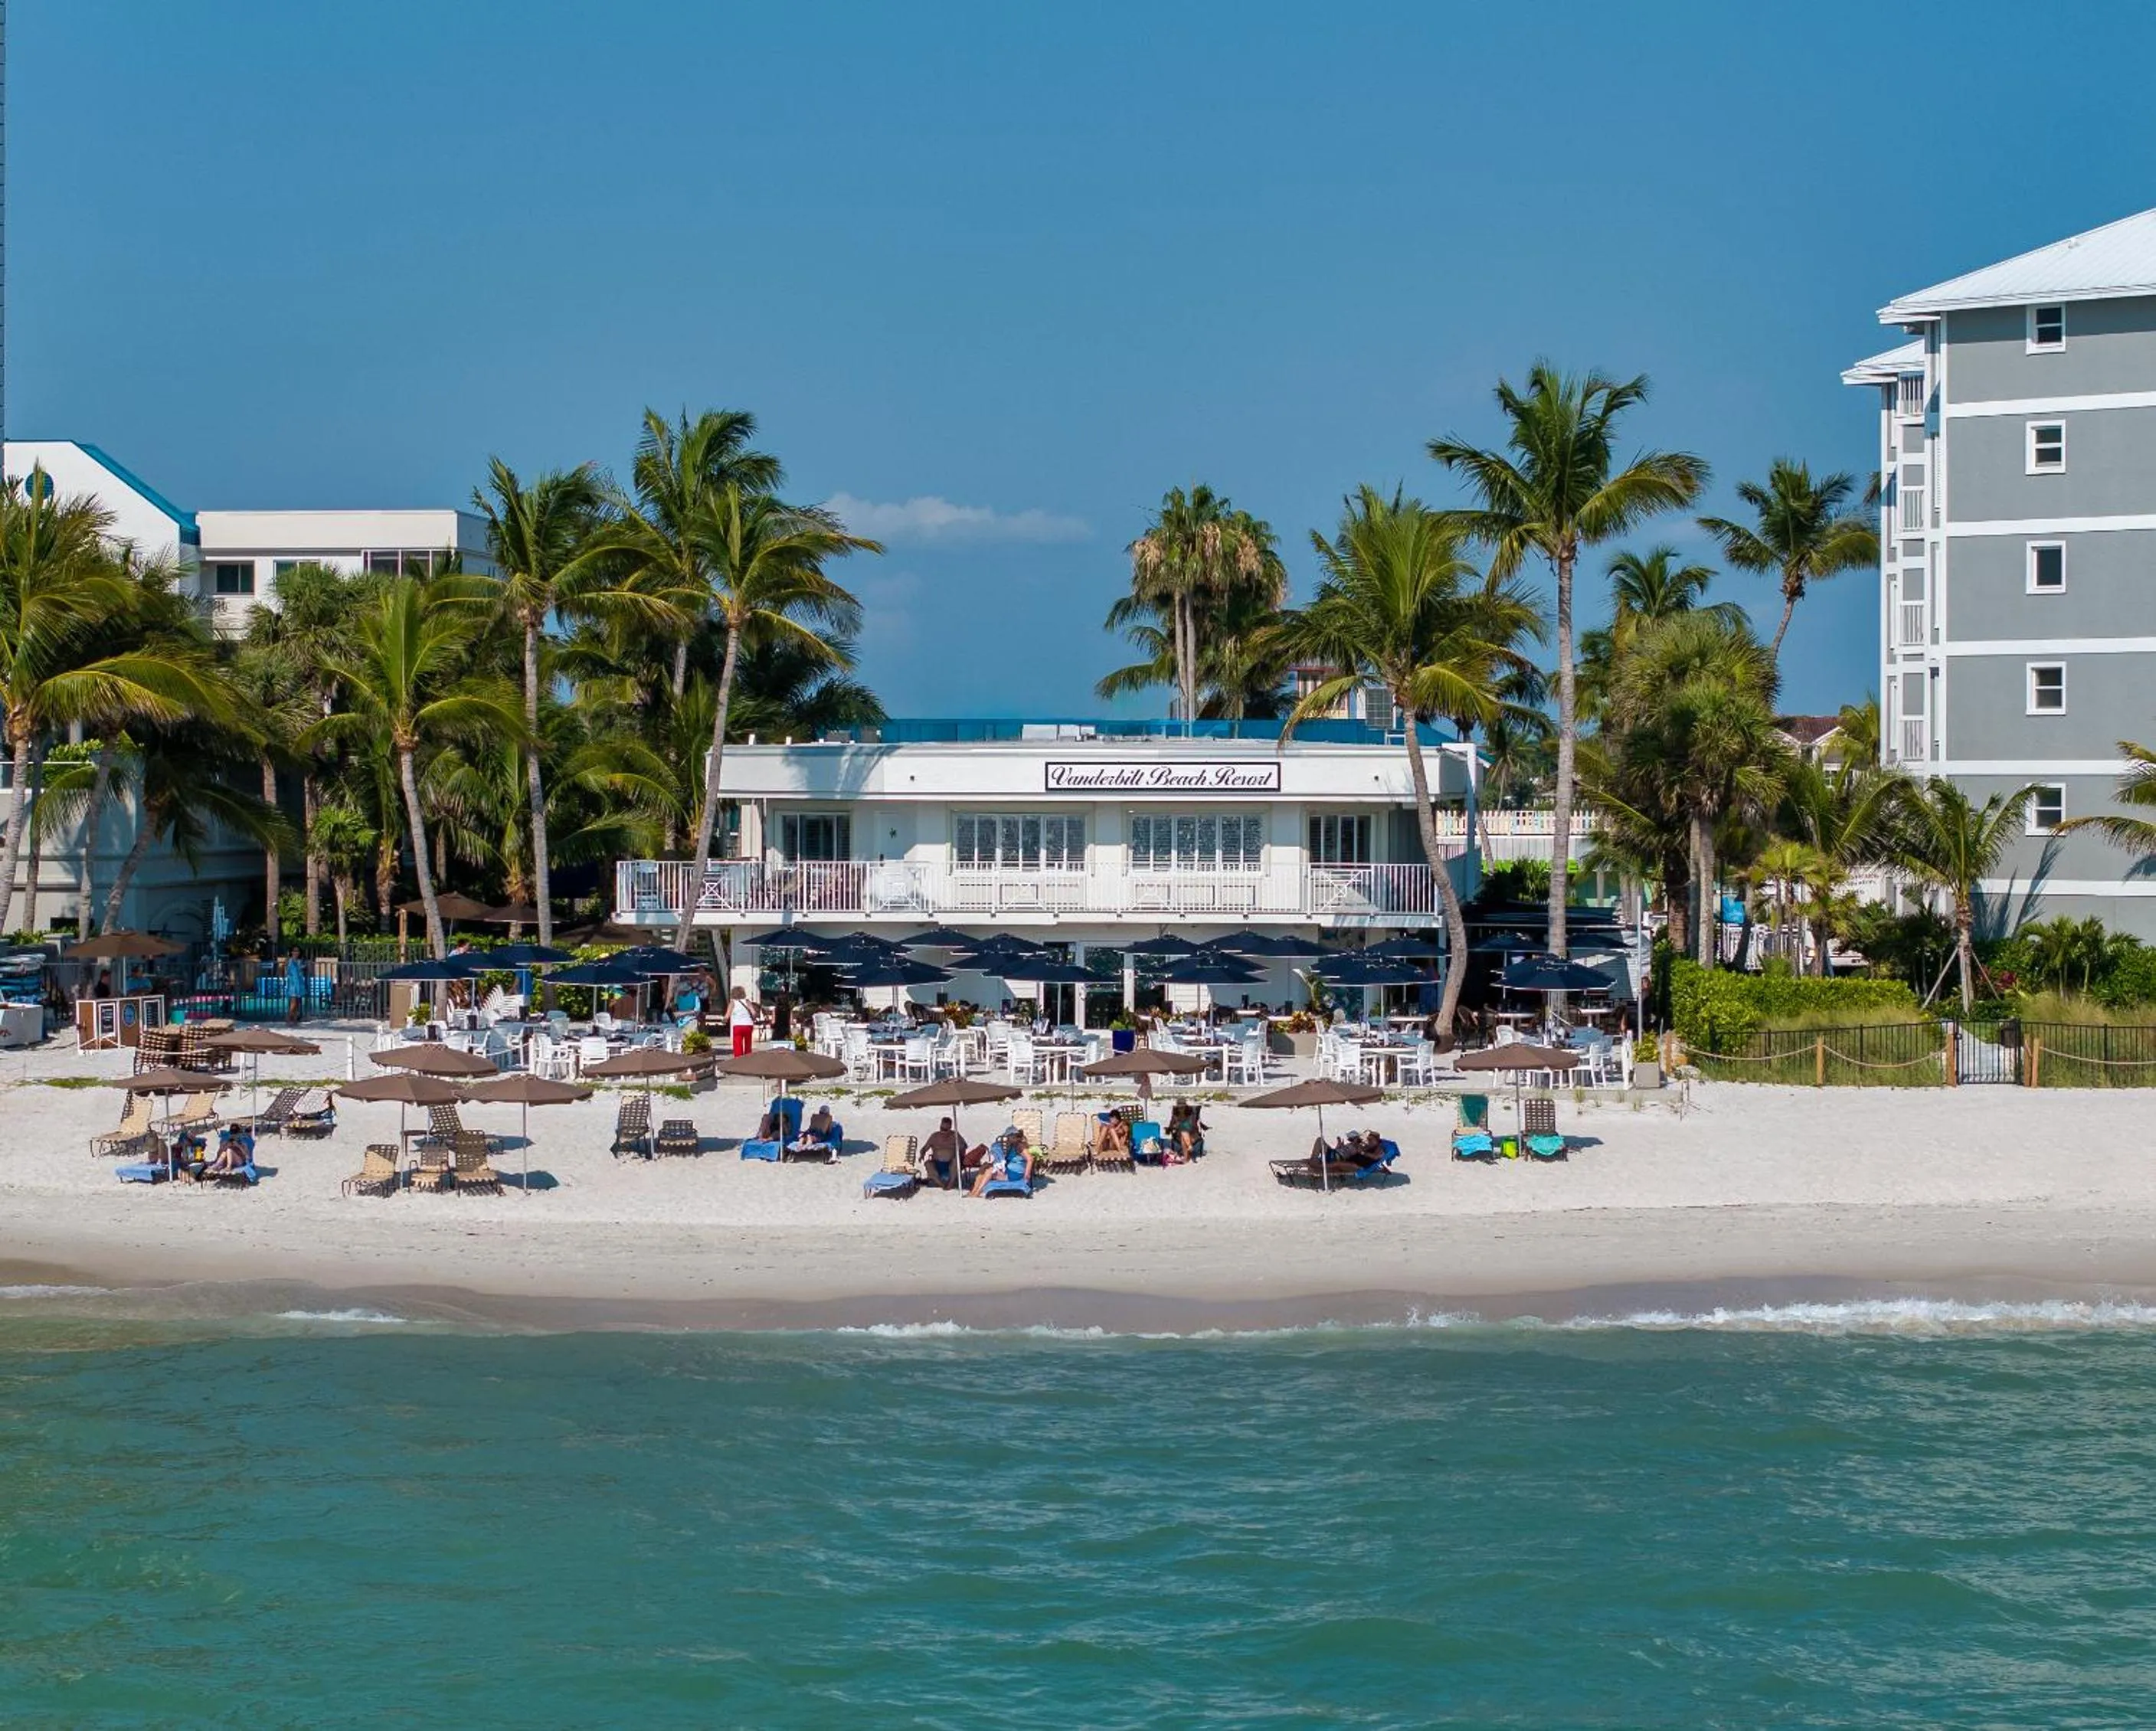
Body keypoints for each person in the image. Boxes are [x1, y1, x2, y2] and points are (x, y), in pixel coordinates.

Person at [923, 1117, 963, 1189]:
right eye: (941, 1129)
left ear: (950, 1127)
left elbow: (963, 1147)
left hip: (951, 1164)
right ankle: (941, 1184)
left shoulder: (955, 1136)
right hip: (937, 1163)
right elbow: (925, 1148)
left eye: (945, 1130)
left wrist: (960, 1157)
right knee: (928, 1163)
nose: (943, 1131)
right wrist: (922, 1154)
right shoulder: (935, 1136)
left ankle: (951, 1184)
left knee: (956, 1161)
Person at [1166, 1099, 1206, 1163]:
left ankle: (1186, 1158)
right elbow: (1172, 1125)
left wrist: (1181, 1125)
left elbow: (1192, 1125)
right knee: (1183, 1134)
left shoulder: (1190, 1113)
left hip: (1193, 1134)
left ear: (1185, 1106)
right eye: (1179, 1107)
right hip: (1179, 1134)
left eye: (1182, 1107)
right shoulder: (1175, 1114)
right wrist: (1173, 1127)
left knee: (1184, 1136)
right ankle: (1189, 1149)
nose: (1181, 1108)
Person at [727, 986, 757, 1059]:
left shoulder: (732, 1003)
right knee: (748, 1043)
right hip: (748, 1025)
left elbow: (727, 1015)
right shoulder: (747, 1001)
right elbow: (754, 1013)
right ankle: (747, 1058)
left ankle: (738, 1060)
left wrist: (724, 1020)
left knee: (737, 1044)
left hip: (737, 1026)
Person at [285, 954, 307, 1025]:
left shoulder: (299, 961)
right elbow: (288, 972)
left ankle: (294, 1020)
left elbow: (300, 970)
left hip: (299, 984)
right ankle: (289, 1019)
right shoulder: (290, 961)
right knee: (293, 1003)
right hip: (293, 984)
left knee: (297, 1003)